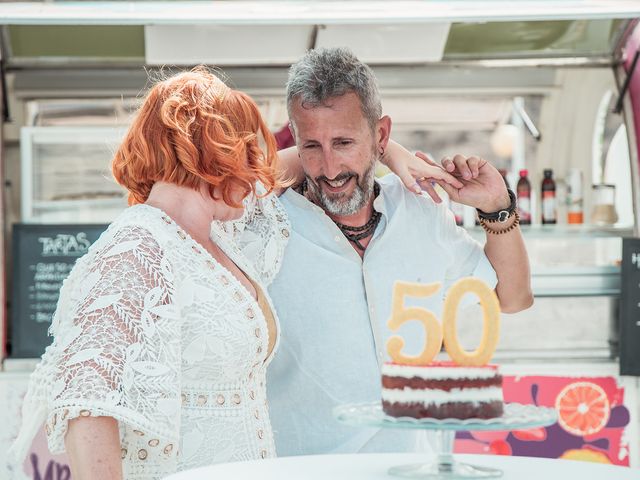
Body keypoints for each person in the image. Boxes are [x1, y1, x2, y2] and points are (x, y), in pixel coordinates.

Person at [8, 67, 291, 479]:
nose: (256, 173)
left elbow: (300, 165)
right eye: (248, 152)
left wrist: (384, 150)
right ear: (218, 153)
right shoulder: (137, 247)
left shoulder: (220, 237)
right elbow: (84, 402)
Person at [266, 47, 533, 456]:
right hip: (308, 466)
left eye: (344, 142)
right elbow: (234, 181)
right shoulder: (266, 221)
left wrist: (497, 206)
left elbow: (512, 298)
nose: (330, 167)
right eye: (311, 146)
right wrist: (388, 153)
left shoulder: (421, 207)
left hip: (411, 463)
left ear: (381, 133)